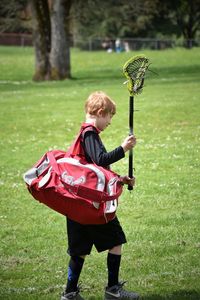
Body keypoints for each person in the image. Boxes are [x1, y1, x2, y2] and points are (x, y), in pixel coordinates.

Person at [61, 91, 139, 300]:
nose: (110, 122)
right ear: (101, 112)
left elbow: (96, 168)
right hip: (92, 206)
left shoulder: (83, 134)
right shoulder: (90, 134)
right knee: (116, 241)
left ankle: (69, 293)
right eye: (110, 116)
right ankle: (113, 290)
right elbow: (101, 158)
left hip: (77, 204)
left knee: (79, 250)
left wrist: (120, 179)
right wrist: (124, 148)